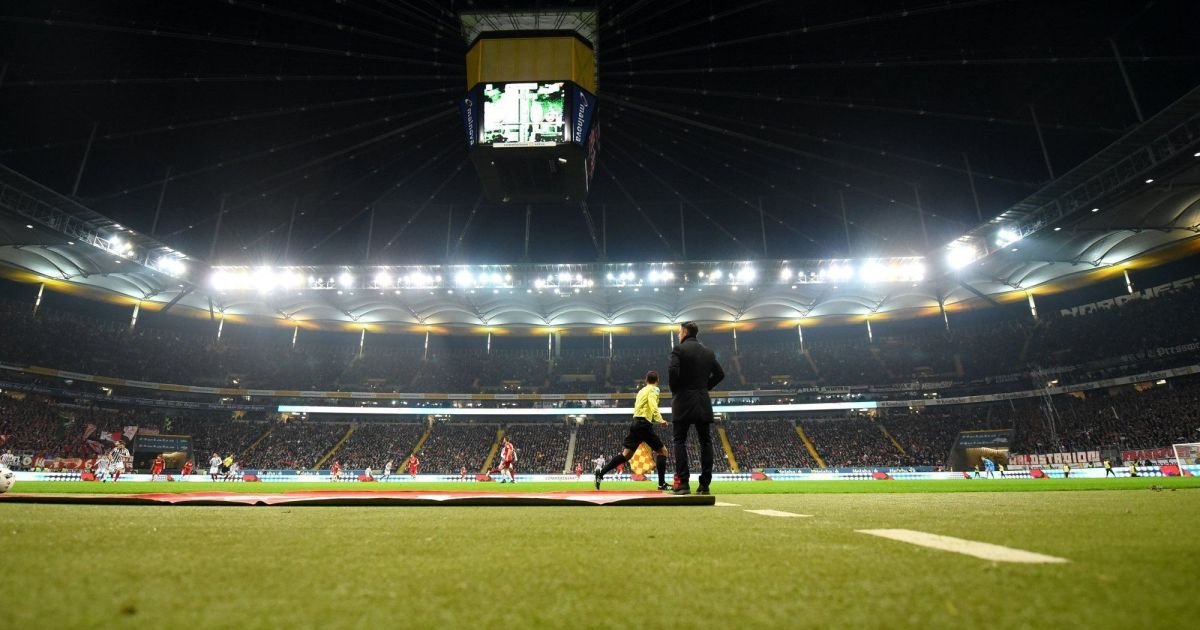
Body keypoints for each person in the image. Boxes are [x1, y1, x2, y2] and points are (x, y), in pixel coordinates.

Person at [667, 321, 724, 495]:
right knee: (705, 442)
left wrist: (676, 389)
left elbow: (673, 371)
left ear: (684, 332)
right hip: (702, 401)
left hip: (683, 401)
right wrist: (705, 387)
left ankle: (683, 483)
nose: (678, 335)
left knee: (679, 441)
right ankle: (705, 485)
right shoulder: (708, 352)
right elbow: (720, 374)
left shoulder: (678, 350)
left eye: (679, 332)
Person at [596, 371, 671, 491]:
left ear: (646, 380)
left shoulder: (641, 391)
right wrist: (660, 419)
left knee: (626, 455)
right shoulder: (654, 390)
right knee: (663, 451)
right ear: (657, 380)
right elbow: (652, 404)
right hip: (644, 425)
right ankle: (661, 483)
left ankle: (601, 473)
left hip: (635, 423)